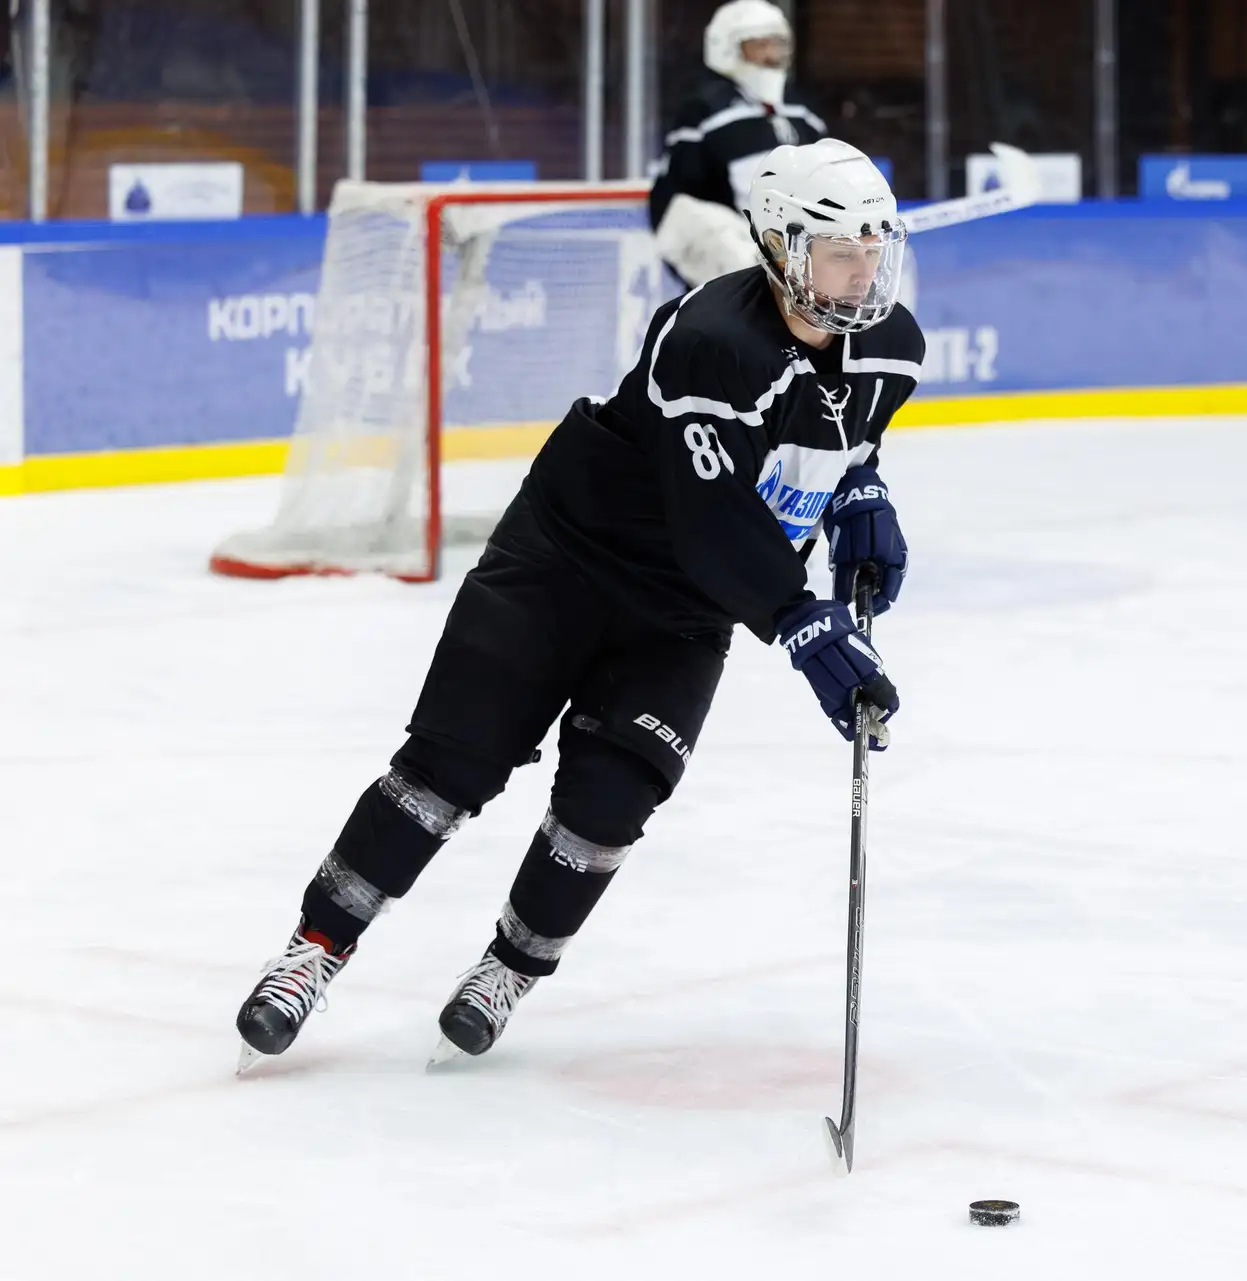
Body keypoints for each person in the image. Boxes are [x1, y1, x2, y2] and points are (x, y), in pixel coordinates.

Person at [235, 139, 922, 1070]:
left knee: (609, 804)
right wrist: (803, 623)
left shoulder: (892, 345)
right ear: (780, 248)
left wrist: (860, 493)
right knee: (447, 769)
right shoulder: (710, 341)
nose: (865, 273)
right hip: (565, 562)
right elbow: (715, 522)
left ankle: (507, 970)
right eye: (842, 253)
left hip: (683, 612)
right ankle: (314, 949)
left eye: (875, 249)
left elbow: (839, 435)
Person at [649, 0, 828, 287]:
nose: (771, 56)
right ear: (727, 48)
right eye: (760, 45)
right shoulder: (703, 111)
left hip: (801, 270)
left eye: (778, 45)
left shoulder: (801, 111)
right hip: (735, 277)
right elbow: (677, 209)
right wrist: (727, 261)